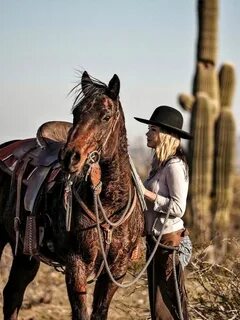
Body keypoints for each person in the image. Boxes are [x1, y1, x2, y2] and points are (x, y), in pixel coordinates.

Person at [134, 105, 192, 320]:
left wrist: (146, 194)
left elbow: (178, 208)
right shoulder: (159, 164)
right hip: (155, 242)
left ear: (166, 135)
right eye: (149, 129)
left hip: (169, 243)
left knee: (172, 302)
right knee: (158, 305)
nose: (147, 133)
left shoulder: (175, 166)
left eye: (153, 129)